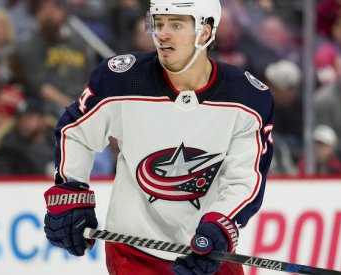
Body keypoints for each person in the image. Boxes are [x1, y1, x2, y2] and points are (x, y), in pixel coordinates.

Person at [42, 1, 274, 275]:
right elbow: (76, 131)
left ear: (205, 31)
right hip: (133, 253)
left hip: (208, 253)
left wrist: (220, 227)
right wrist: (71, 189)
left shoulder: (247, 98)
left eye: (176, 25)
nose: (162, 34)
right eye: (159, 23)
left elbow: (244, 179)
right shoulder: (122, 80)